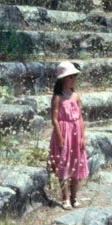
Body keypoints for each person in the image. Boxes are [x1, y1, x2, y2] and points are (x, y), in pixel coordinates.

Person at [48, 61, 88, 209]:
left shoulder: (76, 96)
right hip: (64, 132)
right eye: (70, 77)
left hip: (76, 131)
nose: (73, 79)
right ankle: (65, 198)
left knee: (76, 163)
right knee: (64, 163)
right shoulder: (57, 97)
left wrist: (82, 137)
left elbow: (80, 117)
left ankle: (74, 196)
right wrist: (60, 138)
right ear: (63, 79)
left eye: (74, 77)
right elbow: (54, 119)